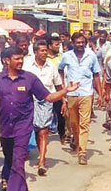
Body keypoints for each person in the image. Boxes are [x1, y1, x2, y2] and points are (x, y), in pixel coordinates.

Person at [0, 46, 77, 191]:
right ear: (7, 60)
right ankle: (23, 190)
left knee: (17, 163)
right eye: (16, 59)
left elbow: (48, 97)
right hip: (6, 129)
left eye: (22, 58)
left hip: (23, 128)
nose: (20, 61)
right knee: (10, 160)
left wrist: (65, 91)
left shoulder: (29, 79)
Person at [58, 32, 102, 165]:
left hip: (86, 93)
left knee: (84, 123)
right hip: (71, 94)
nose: (80, 45)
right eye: (78, 42)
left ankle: (82, 153)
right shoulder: (66, 56)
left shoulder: (91, 55)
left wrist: (100, 94)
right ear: (72, 43)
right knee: (73, 123)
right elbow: (60, 70)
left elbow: (96, 75)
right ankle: (77, 142)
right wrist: (63, 85)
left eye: (82, 42)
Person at [24, 39, 63, 175]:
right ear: (35, 52)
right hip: (29, 101)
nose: (44, 53)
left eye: (46, 50)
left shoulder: (51, 67)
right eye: (41, 51)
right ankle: (26, 152)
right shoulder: (27, 66)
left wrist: (63, 101)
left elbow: (58, 85)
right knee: (30, 130)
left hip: (46, 101)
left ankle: (42, 161)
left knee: (43, 132)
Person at [47, 34, 67, 144]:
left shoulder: (62, 57)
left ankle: (62, 134)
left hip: (59, 88)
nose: (58, 47)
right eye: (56, 45)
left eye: (59, 45)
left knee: (60, 113)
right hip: (47, 90)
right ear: (50, 46)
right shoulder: (44, 57)